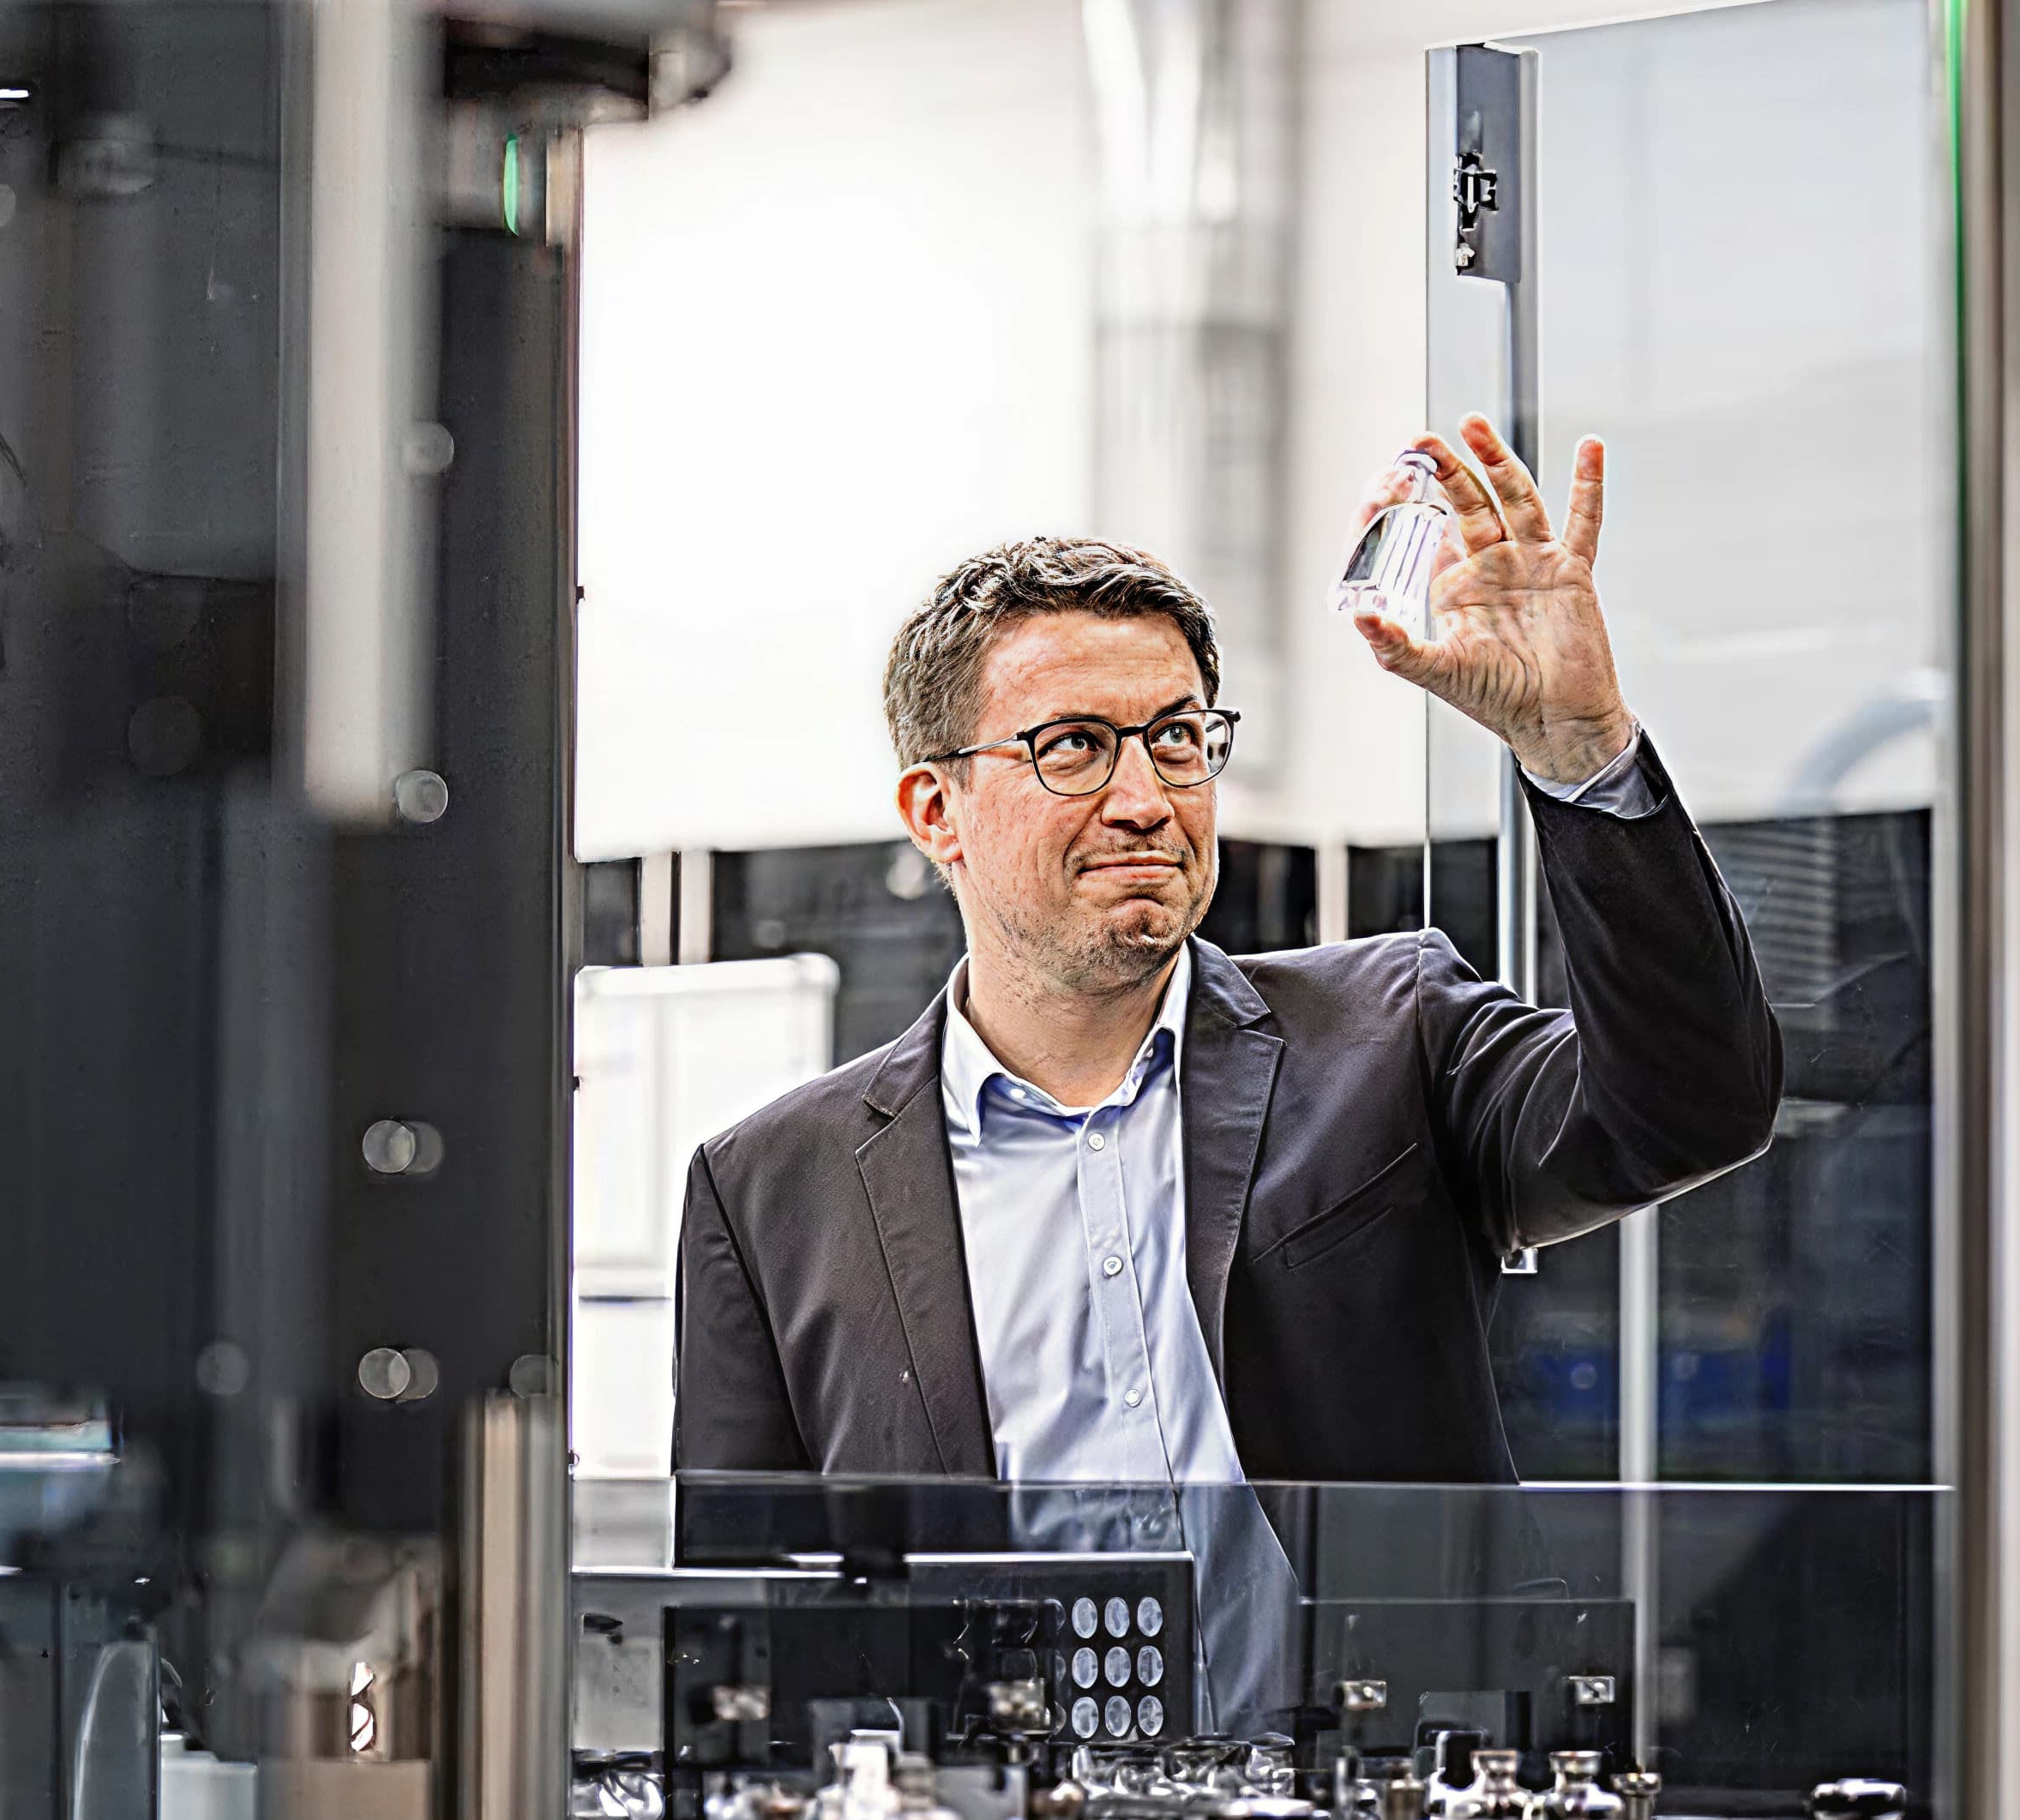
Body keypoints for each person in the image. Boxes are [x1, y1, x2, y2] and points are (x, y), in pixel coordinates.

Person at [668, 418, 1783, 1732]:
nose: (1147, 796)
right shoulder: (774, 1187)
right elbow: (742, 1629)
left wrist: (1579, 750)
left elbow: (1689, 1108)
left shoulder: (1390, 1035)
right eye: (1073, 745)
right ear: (936, 812)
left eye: (1179, 738)